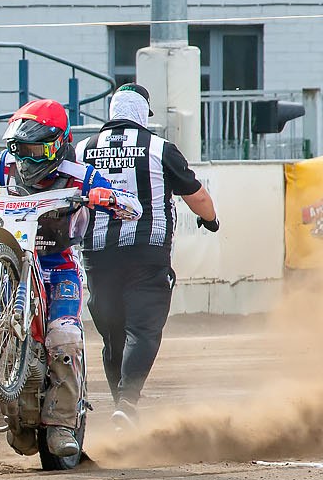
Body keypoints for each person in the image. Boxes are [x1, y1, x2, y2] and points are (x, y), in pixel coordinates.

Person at [0, 99, 134, 465]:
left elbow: (130, 204)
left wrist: (107, 197)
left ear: (59, 143)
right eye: (20, 150)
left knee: (65, 336)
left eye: (37, 150)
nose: (27, 160)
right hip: (13, 261)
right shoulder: (7, 166)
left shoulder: (79, 173)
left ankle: (62, 424)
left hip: (59, 265)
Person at [74, 84, 218, 421]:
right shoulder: (159, 148)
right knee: (142, 330)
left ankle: (120, 405)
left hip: (98, 254)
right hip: (146, 253)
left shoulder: (81, 149)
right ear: (142, 115)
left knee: (112, 335)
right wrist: (210, 220)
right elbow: (197, 197)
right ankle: (128, 403)